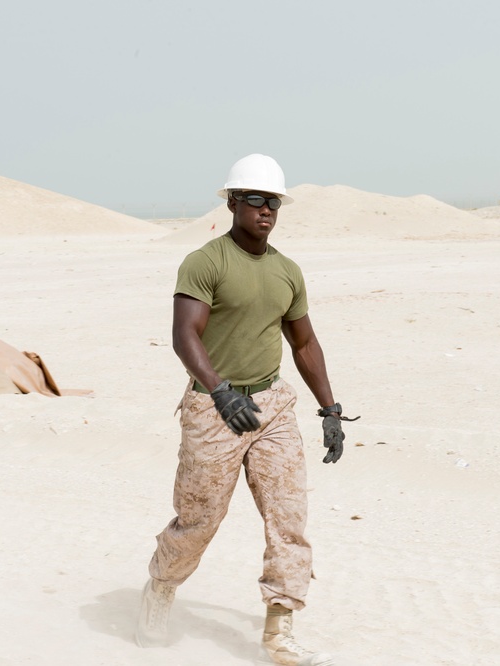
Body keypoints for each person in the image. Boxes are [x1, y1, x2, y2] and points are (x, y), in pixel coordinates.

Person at [137, 154, 357, 666]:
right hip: (212, 406)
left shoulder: (286, 271)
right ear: (233, 203)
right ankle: (161, 588)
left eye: (272, 201)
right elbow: (184, 334)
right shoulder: (205, 261)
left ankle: (279, 626)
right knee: (199, 519)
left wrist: (329, 409)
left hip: (272, 406)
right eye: (254, 199)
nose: (265, 210)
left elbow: (304, 344)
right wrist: (218, 390)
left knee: (288, 517)